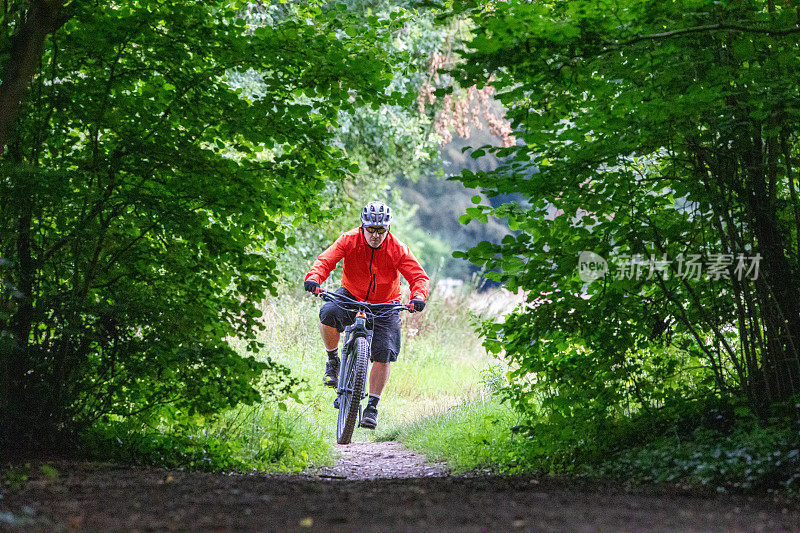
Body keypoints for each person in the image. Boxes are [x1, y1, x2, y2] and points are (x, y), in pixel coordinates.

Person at [304, 201, 429, 429]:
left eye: (381, 230)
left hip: (385, 303)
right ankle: (333, 361)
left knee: (384, 352)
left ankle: (372, 406)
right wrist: (314, 278)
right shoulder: (349, 240)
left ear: (388, 229)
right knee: (328, 313)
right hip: (351, 295)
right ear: (362, 226)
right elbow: (325, 261)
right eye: (370, 229)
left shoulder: (397, 248)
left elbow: (419, 277)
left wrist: (418, 297)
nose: (375, 235)